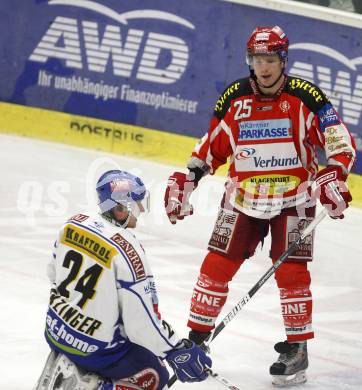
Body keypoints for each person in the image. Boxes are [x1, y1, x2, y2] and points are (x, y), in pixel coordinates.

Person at [164, 26, 356, 387]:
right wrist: (187, 179)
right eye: (257, 59)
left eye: (270, 60)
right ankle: (196, 340)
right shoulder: (235, 98)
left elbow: (340, 142)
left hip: (294, 199)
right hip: (242, 198)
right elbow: (212, 147)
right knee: (215, 266)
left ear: (283, 60)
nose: (263, 67)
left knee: (292, 274)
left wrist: (334, 174)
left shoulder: (306, 98)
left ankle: (297, 348)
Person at [34, 169, 212, 390]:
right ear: (120, 208)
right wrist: (177, 349)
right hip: (96, 349)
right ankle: (88, 385)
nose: (141, 209)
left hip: (55, 329)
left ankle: (68, 364)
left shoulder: (72, 223)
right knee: (155, 375)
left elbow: (52, 274)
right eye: (137, 203)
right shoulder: (129, 251)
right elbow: (141, 323)